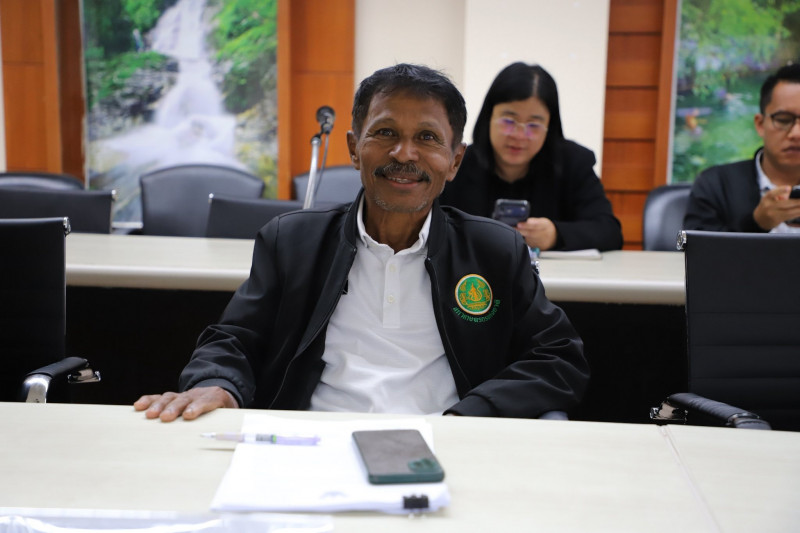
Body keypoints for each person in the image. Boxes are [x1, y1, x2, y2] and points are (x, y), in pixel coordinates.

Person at [134, 63, 588, 422]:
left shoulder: (494, 251)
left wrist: (476, 413)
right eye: (385, 133)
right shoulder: (291, 241)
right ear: (354, 148)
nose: (404, 154)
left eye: (427, 137)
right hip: (312, 444)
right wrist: (219, 384)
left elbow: (559, 357)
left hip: (446, 442)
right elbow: (233, 338)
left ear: (454, 161)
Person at [438, 62, 622, 251]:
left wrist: (555, 235)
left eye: (533, 125)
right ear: (488, 118)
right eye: (509, 121)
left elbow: (609, 231)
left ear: (549, 127)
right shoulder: (457, 164)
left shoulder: (573, 163)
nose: (519, 135)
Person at [684, 63, 800, 232]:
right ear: (760, 124)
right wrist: (756, 224)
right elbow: (687, 245)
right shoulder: (715, 185)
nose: (796, 133)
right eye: (783, 120)